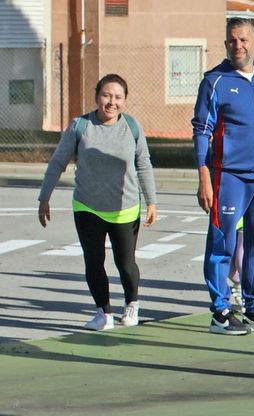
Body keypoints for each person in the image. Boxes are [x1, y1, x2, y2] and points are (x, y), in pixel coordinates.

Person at [38, 73, 156, 332]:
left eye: (118, 97)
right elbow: (58, 162)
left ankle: (132, 304)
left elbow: (143, 164)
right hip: (87, 206)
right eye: (106, 95)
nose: (111, 102)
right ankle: (103, 313)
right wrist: (44, 197)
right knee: (94, 261)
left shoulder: (132, 127)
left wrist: (151, 201)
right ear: (96, 97)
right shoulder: (80, 126)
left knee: (126, 263)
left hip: (125, 207)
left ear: (124, 100)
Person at [192, 18, 254, 336]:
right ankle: (220, 311)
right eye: (232, 40)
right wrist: (204, 177)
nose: (238, 45)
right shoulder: (214, 81)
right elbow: (201, 131)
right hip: (229, 176)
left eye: (244, 40)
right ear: (226, 45)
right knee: (223, 243)